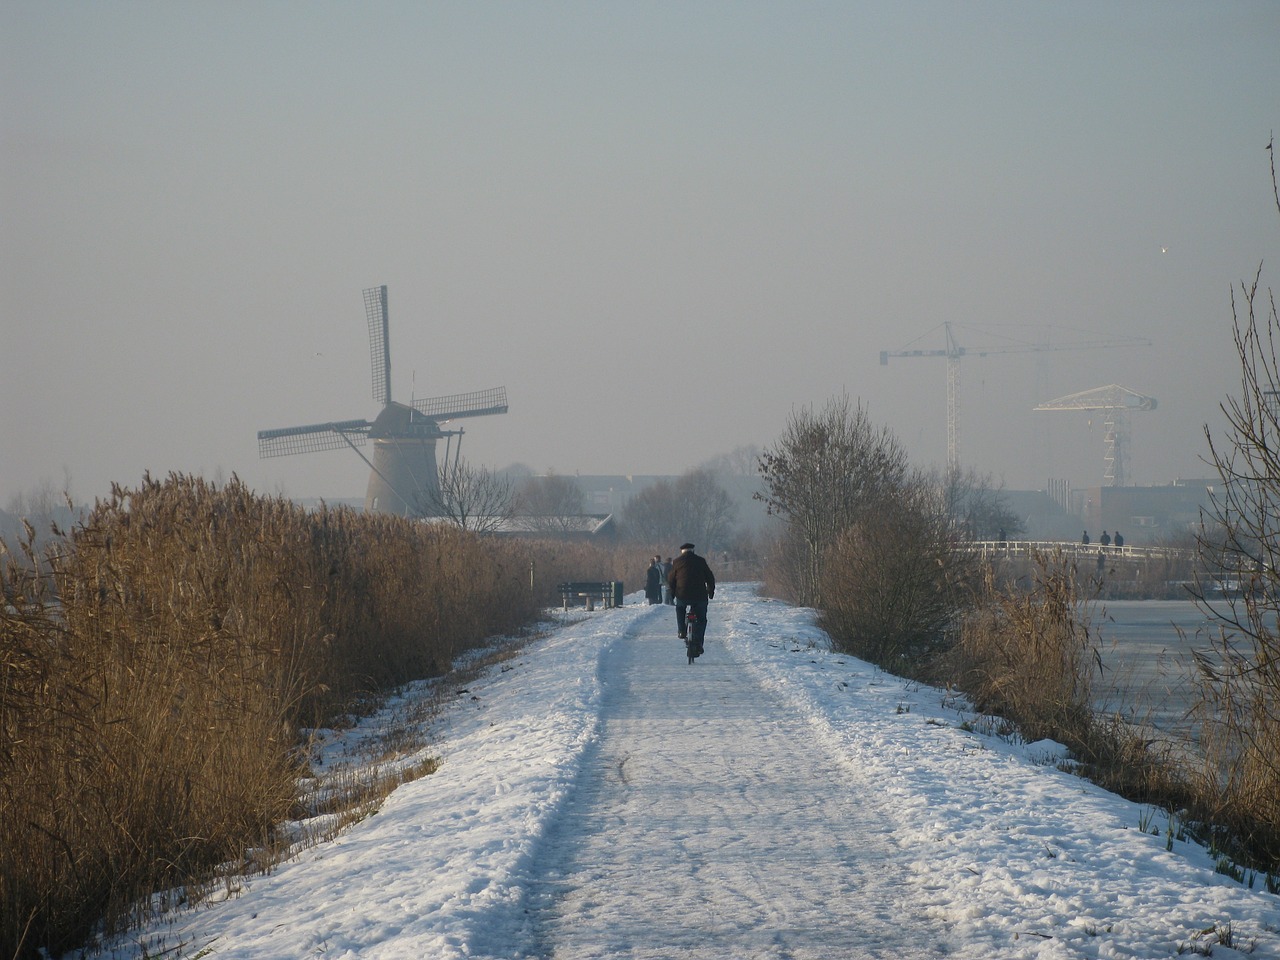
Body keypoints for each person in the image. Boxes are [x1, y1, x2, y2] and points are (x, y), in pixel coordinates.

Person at [667, 542, 716, 659]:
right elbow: (710, 577)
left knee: (680, 609)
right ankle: (698, 642)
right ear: (693, 550)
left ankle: (681, 631)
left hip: (682, 594)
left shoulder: (677, 562)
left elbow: (671, 579)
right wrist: (710, 591)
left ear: (682, 551)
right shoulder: (701, 561)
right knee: (702, 619)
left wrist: (672, 593)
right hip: (700, 596)